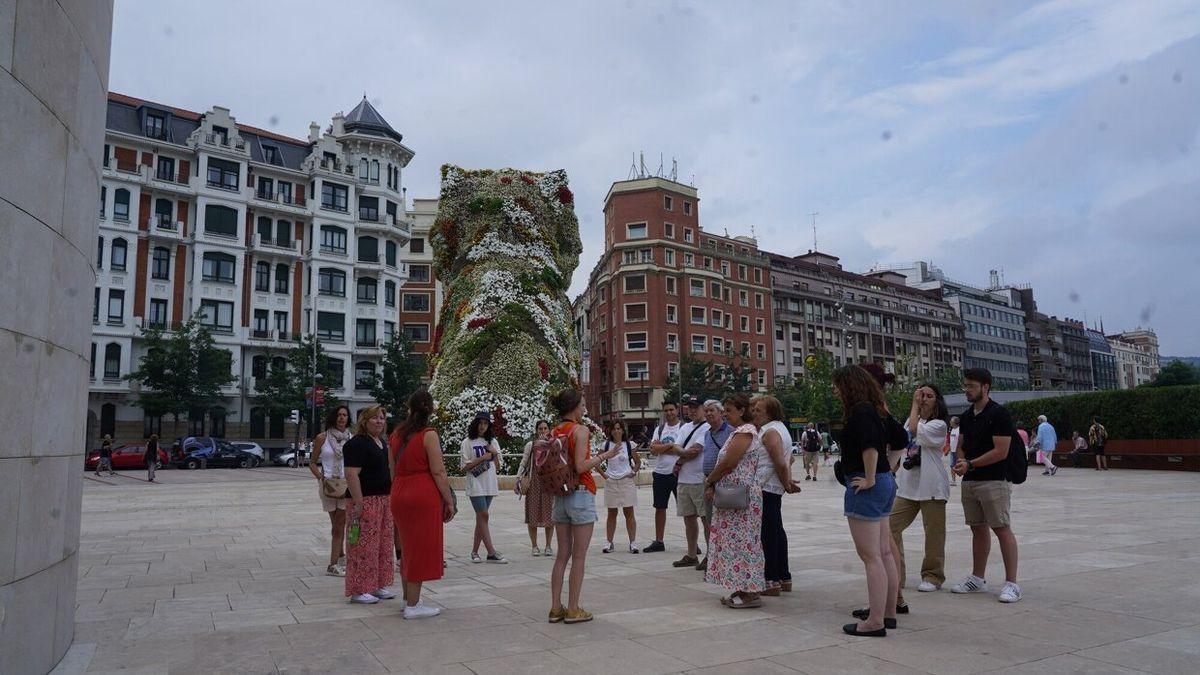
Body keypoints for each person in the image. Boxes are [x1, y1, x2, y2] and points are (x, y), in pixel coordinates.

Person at [834, 365, 900, 637]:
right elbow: (898, 439)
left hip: (868, 484)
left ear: (850, 386)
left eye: (838, 385)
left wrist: (869, 478)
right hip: (885, 482)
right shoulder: (874, 409)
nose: (836, 391)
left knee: (871, 556)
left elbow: (869, 447)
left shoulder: (860, 412)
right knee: (884, 552)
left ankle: (874, 621)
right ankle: (887, 612)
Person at [548, 388, 620, 624]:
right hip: (580, 493)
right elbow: (580, 466)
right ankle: (573, 608)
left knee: (562, 555)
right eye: (582, 404)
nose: (584, 407)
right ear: (574, 406)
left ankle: (555, 607)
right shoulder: (580, 430)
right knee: (579, 556)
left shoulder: (555, 431)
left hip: (560, 495)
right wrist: (604, 456)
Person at [951, 368, 1021, 604]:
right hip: (970, 480)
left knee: (1001, 527)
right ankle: (977, 578)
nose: (967, 390)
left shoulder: (999, 414)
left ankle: (1012, 583)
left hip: (993, 479)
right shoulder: (967, 415)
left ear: (985, 387)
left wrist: (970, 464)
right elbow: (961, 443)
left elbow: (1001, 451)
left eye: (971, 386)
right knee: (977, 528)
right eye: (966, 386)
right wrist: (962, 461)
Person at [389, 390, 456, 619]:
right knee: (419, 548)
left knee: (406, 548)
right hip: (422, 492)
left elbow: (392, 468)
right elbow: (438, 471)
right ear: (430, 410)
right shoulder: (429, 434)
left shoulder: (396, 434)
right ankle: (413, 605)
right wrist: (449, 501)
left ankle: (408, 598)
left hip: (399, 490)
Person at [702, 394, 769, 608]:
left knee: (745, 542)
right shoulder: (739, 432)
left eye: (729, 410)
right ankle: (742, 587)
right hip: (735, 494)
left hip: (741, 495)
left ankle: (751, 592)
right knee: (737, 542)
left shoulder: (745, 432)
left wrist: (711, 479)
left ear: (741, 411)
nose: (725, 414)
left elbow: (729, 462)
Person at [889, 385, 950, 604]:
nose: (923, 399)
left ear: (937, 401)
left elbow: (914, 431)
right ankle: (897, 574)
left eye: (928, 396)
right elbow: (904, 441)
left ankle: (933, 575)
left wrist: (914, 404)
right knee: (891, 526)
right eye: (921, 395)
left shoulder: (939, 425)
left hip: (931, 485)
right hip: (908, 486)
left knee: (933, 532)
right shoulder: (911, 421)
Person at [343, 405, 395, 604]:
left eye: (382, 418)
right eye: (375, 418)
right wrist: (358, 502)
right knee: (362, 546)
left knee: (382, 544)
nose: (380, 421)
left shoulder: (380, 442)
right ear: (364, 421)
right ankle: (359, 589)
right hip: (365, 500)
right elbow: (351, 474)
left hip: (383, 499)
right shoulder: (357, 443)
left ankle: (376, 584)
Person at [752, 395, 801, 595]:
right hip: (771, 487)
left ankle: (771, 579)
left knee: (768, 534)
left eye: (758, 410)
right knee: (776, 530)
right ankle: (783, 575)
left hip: (765, 486)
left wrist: (785, 482)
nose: (754, 412)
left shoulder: (770, 431)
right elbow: (788, 461)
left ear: (770, 413)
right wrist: (786, 481)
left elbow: (780, 462)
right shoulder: (781, 428)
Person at [310, 405, 352, 577]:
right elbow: (312, 462)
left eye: (345, 415)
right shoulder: (322, 437)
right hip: (327, 485)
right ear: (333, 417)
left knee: (340, 524)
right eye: (339, 415)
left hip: (345, 484)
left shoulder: (352, 438)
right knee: (335, 524)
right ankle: (340, 555)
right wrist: (321, 476)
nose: (342, 418)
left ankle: (333, 563)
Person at [460, 414, 508, 563]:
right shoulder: (467, 442)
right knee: (483, 516)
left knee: (481, 519)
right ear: (475, 424)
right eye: (480, 423)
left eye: (485, 423)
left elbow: (498, 466)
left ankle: (475, 552)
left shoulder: (492, 441)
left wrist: (493, 453)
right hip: (475, 485)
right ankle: (491, 552)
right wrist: (482, 458)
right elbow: (464, 467)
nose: (482, 426)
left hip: (489, 484)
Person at [671, 397, 711, 569]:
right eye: (689, 408)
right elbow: (675, 447)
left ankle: (711, 555)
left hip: (699, 479)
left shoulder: (707, 427)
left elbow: (696, 451)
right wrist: (683, 453)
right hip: (683, 480)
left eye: (696, 407)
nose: (692, 411)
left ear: (703, 409)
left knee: (705, 519)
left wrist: (681, 456)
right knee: (688, 518)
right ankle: (691, 553)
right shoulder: (685, 427)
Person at [695, 400, 734, 572]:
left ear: (721, 412)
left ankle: (728, 557)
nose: (709, 414)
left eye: (712, 410)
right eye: (706, 411)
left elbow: (729, 461)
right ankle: (713, 556)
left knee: (727, 521)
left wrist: (713, 481)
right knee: (711, 521)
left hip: (724, 482)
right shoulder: (707, 433)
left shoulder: (730, 432)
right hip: (708, 481)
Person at [645, 400, 683, 553]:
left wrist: (663, 447)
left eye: (671, 410)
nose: (669, 413)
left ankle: (693, 542)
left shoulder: (684, 428)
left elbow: (682, 450)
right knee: (659, 507)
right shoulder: (660, 429)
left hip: (678, 473)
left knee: (687, 510)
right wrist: (671, 446)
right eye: (666, 410)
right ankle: (659, 541)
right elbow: (653, 450)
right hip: (660, 473)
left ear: (677, 410)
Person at [601, 420, 640, 554]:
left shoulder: (629, 445)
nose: (616, 431)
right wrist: (605, 475)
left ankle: (633, 542)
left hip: (626, 481)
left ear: (623, 430)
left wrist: (633, 472)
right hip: (611, 482)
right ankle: (609, 542)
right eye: (614, 429)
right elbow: (596, 461)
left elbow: (637, 461)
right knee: (612, 513)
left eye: (619, 428)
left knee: (629, 512)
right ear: (610, 431)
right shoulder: (606, 445)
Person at [516, 420, 555, 557]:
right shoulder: (531, 445)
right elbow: (524, 461)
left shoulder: (553, 444)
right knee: (532, 514)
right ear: (536, 430)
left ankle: (548, 545)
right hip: (534, 482)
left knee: (549, 515)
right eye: (540, 428)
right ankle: (534, 546)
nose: (542, 431)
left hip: (548, 483)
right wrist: (518, 478)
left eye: (545, 428)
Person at [947, 417, 961, 486]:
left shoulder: (959, 430)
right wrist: (948, 449)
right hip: (952, 451)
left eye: (951, 421)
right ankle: (953, 480)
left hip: (958, 451)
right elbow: (951, 441)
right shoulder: (952, 430)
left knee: (961, 466)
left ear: (955, 422)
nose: (950, 422)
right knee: (952, 466)